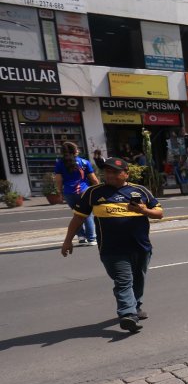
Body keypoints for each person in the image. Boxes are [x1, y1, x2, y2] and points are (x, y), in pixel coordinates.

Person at [61, 158, 164, 333]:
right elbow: (78, 217)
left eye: (115, 172)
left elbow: (159, 213)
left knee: (138, 279)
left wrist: (143, 210)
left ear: (126, 174)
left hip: (140, 247)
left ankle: (135, 307)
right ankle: (127, 315)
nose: (110, 175)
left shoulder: (140, 191)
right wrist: (67, 240)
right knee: (124, 281)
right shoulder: (93, 192)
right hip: (112, 249)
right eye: (107, 172)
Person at [54, 142, 99, 246]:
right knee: (87, 214)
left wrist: (60, 192)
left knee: (77, 215)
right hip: (83, 191)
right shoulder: (84, 162)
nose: (78, 150)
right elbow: (94, 179)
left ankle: (81, 237)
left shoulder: (60, 163)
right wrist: (98, 189)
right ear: (74, 151)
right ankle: (91, 238)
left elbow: (58, 180)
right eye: (77, 149)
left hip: (69, 192)